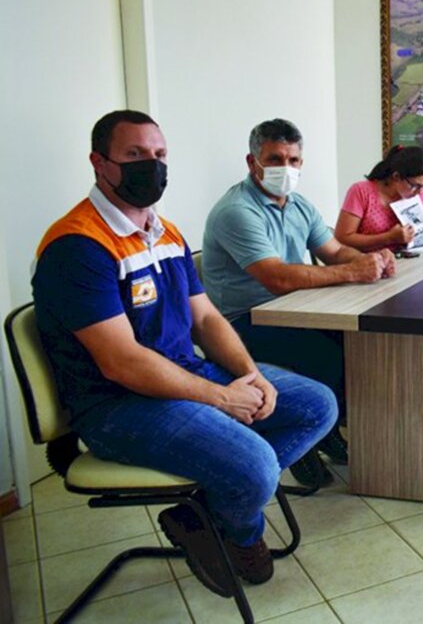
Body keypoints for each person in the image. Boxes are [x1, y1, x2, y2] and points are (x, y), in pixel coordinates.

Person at [32, 110, 337, 593]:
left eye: (158, 155)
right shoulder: (77, 246)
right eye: (134, 155)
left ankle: (206, 517)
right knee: (256, 465)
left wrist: (248, 375)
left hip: (185, 375)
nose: (150, 166)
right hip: (119, 406)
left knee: (316, 406)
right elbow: (122, 362)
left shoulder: (166, 233)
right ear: (99, 163)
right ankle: (241, 530)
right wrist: (220, 398)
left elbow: (207, 319)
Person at [203, 118, 395, 487]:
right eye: (275, 159)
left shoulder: (299, 205)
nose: (285, 168)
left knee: (358, 345)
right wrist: (353, 273)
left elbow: (334, 249)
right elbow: (277, 277)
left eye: (293, 160)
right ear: (252, 162)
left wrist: (368, 260)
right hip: (244, 322)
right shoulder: (237, 211)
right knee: (323, 357)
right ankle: (301, 445)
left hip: (295, 311)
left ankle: (329, 431)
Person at [335, 145, 423, 251]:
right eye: (414, 185)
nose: (419, 192)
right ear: (396, 177)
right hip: (366, 264)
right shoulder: (361, 191)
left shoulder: (420, 195)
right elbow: (343, 238)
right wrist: (388, 238)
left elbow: (417, 234)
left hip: (408, 262)